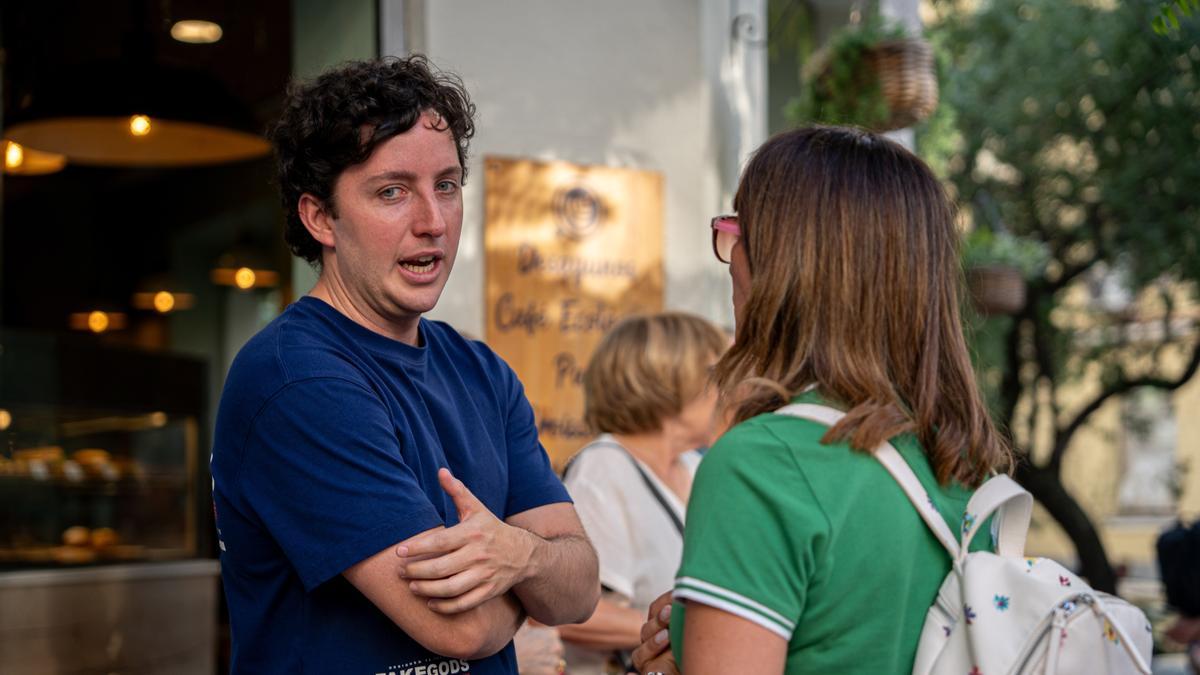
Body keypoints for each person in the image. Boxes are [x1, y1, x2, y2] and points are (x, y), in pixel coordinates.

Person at [210, 56, 599, 674]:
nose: (432, 222)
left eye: (445, 185)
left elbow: (580, 589)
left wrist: (519, 558)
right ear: (319, 217)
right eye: (392, 192)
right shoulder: (297, 379)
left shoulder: (481, 370)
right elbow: (463, 627)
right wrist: (532, 579)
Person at [632, 125, 1013, 674]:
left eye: (739, 230)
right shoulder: (959, 463)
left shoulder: (763, 464)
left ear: (784, 266)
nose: (731, 257)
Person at [555, 313, 726, 675]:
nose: (725, 389)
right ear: (666, 381)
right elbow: (572, 615)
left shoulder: (694, 468)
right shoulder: (604, 469)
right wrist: (687, 633)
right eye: (713, 374)